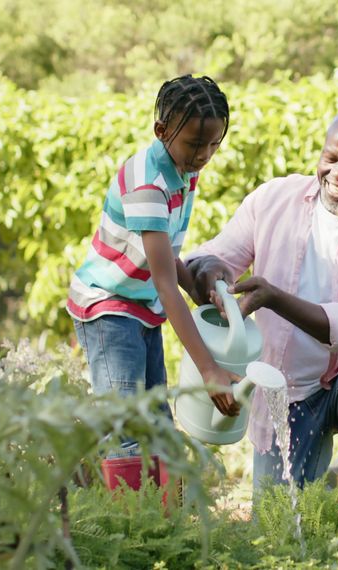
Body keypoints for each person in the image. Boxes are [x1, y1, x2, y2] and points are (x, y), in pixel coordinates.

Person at [185, 107, 338, 501]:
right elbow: (217, 256)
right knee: (279, 527)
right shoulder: (275, 199)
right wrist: (209, 268)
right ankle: (335, 481)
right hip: (287, 391)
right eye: (331, 158)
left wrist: (276, 299)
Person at [67, 75, 241, 469]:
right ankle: (123, 522)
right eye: (196, 144)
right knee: (126, 423)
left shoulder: (184, 169)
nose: (204, 155)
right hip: (108, 305)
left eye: (214, 144)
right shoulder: (149, 183)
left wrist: (197, 291)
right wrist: (208, 368)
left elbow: (164, 256)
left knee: (156, 420)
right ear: (161, 130)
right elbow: (164, 283)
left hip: (141, 306)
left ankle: (162, 521)